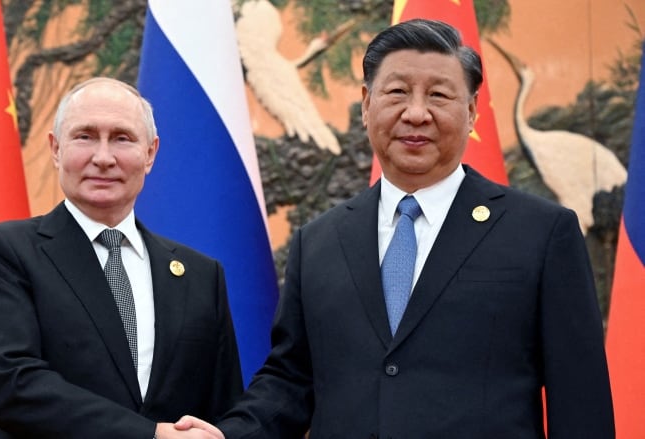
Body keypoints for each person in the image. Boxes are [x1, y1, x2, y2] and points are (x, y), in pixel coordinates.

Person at [176, 18, 615, 438]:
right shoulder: (321, 241)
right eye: (398, 92)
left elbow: (579, 398)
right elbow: (291, 380)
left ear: (472, 111)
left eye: (439, 95)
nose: (417, 113)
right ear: (367, 105)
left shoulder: (541, 232)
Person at [0, 77, 242, 439]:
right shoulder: (4, 252)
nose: (103, 158)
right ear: (56, 148)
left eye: (122, 138)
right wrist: (149, 435)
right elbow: (6, 384)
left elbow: (223, 408)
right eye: (85, 136)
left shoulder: (201, 276)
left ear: (150, 153)